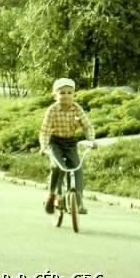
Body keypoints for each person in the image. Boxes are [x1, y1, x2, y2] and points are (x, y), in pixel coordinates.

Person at [39, 78, 97, 215]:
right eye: (62, 93)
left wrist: (91, 140)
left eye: (69, 93)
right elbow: (45, 131)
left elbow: (87, 126)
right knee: (58, 167)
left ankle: (78, 201)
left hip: (70, 142)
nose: (66, 96)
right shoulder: (52, 110)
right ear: (55, 95)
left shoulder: (76, 108)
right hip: (55, 142)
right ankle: (53, 195)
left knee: (77, 167)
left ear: (74, 95)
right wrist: (44, 146)